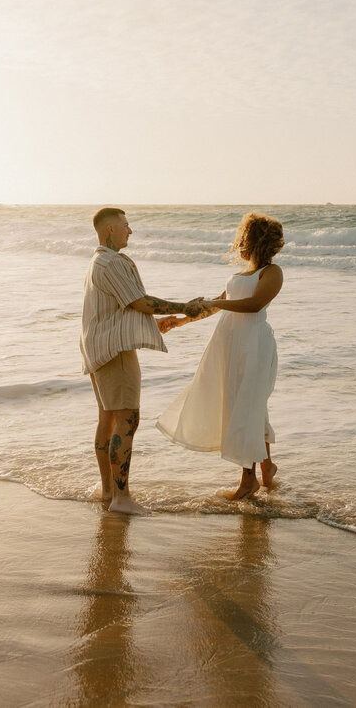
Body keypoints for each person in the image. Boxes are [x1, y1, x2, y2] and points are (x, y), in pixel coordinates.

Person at [80, 207, 204, 515]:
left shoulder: (98, 262)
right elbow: (139, 302)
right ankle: (121, 498)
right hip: (115, 351)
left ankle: (109, 492)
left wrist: (158, 323)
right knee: (128, 419)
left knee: (108, 419)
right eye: (125, 225)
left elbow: (120, 309)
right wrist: (185, 307)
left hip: (97, 347)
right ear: (110, 229)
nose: (130, 231)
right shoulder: (109, 263)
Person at [156, 212, 284, 500]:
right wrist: (179, 320)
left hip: (253, 345)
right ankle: (268, 467)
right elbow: (216, 307)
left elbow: (254, 305)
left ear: (255, 242)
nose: (239, 243)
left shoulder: (271, 273)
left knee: (246, 406)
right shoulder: (241, 275)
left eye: (244, 238)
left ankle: (248, 480)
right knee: (244, 403)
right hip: (229, 342)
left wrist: (214, 301)